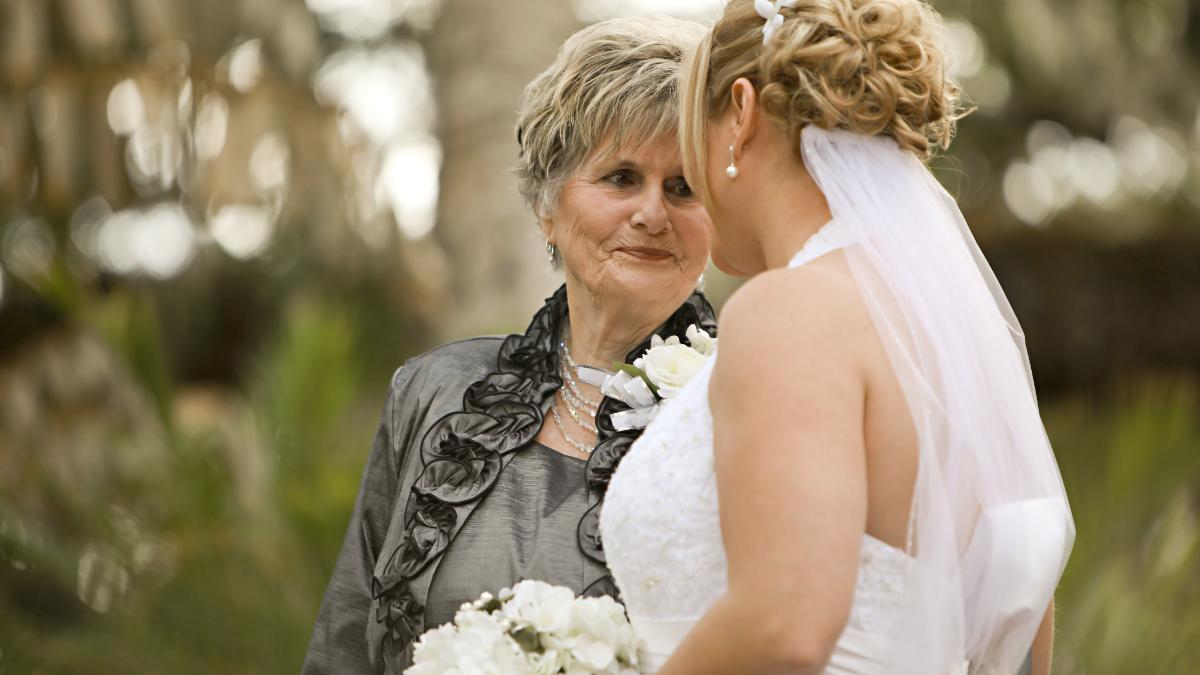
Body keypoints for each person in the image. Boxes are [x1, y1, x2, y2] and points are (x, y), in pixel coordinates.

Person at [600, 1, 1074, 674]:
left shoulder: (789, 311)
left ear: (740, 113)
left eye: (689, 141)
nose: (695, 188)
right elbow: (1021, 637)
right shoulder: (945, 336)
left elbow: (784, 624)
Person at [301, 15, 716, 673]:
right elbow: (346, 640)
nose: (651, 212)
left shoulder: (739, 410)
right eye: (620, 177)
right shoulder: (435, 392)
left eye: (683, 187)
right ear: (547, 206)